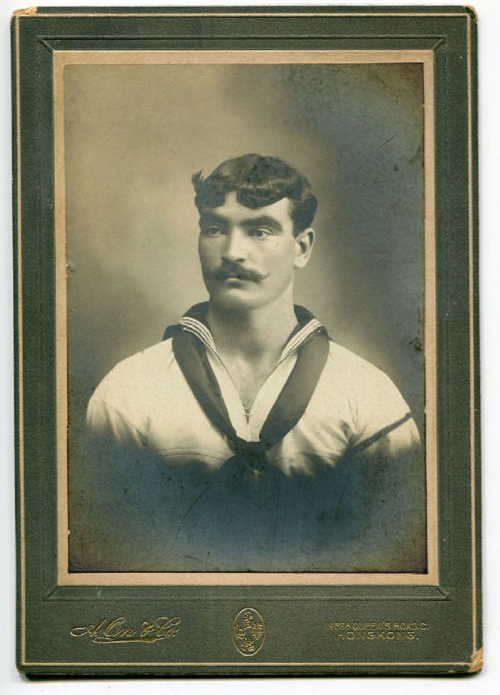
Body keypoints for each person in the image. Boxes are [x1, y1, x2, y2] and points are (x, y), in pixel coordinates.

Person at [75, 154, 426, 573]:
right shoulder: (128, 392)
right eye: (215, 229)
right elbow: (106, 553)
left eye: (260, 231)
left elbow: (398, 553)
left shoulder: (368, 395)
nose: (232, 252)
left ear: (302, 248)